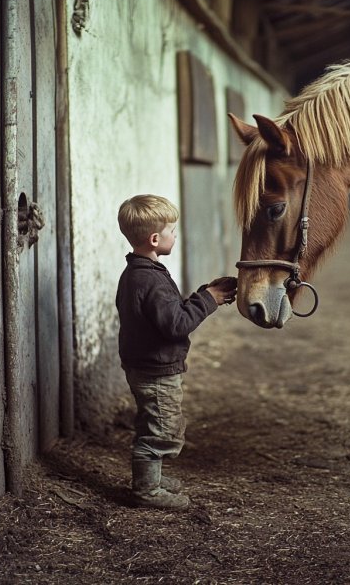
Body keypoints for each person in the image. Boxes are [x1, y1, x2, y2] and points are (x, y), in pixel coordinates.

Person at [116, 194, 237, 510]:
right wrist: (208, 300)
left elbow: (166, 314)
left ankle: (151, 478)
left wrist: (205, 293)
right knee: (162, 431)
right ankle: (145, 491)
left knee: (153, 423)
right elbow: (176, 324)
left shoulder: (138, 272)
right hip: (156, 370)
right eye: (173, 230)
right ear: (155, 239)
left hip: (145, 364)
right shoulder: (150, 278)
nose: (175, 235)